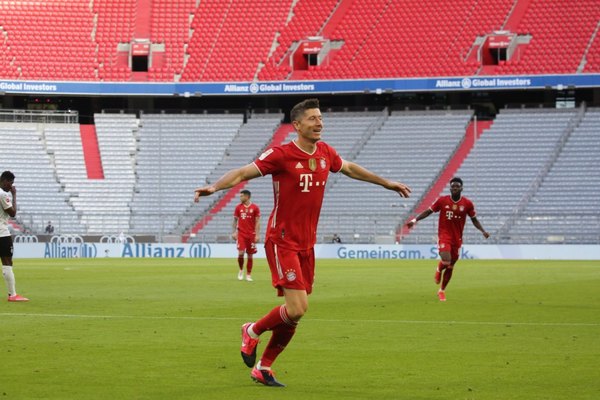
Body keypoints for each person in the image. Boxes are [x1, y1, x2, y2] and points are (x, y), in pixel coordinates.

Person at [194, 98, 411, 387]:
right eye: (312, 118)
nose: (319, 122)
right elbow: (244, 172)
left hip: (306, 244)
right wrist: (214, 187)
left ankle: (264, 367)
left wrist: (386, 183)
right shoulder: (281, 154)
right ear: (297, 125)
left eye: (320, 118)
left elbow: (349, 168)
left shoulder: (325, 152)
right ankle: (252, 330)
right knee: (295, 308)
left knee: (295, 314)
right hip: (282, 240)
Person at [407, 177, 489, 302]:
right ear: (450, 188)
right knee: (446, 260)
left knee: (450, 266)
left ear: (461, 188)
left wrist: (482, 230)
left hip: (457, 238)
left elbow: (474, 219)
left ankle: (442, 290)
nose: (454, 188)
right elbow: (428, 211)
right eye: (452, 186)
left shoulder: (467, 204)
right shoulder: (442, 200)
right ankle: (439, 269)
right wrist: (414, 220)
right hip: (444, 235)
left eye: (457, 186)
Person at [1, 171, 28, 302]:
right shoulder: (3, 194)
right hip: (2, 234)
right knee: (7, 262)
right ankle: (12, 295)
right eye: (10, 183)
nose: (11, 186)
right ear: (4, 181)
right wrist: (14, 195)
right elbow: (12, 213)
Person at [232, 189, 260, 282]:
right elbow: (235, 221)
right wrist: (234, 232)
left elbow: (257, 222)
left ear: (247, 197)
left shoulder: (255, 208)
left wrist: (257, 235)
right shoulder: (238, 207)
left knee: (250, 255)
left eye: (242, 196)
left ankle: (248, 274)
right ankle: (241, 270)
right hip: (241, 234)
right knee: (240, 253)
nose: (240, 197)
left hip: (251, 234)